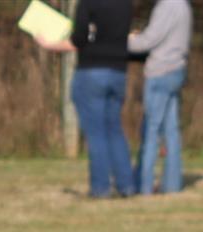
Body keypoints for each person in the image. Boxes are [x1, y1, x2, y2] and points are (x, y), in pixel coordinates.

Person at [50, 0, 140, 200]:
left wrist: (50, 43)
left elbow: (79, 39)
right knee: (114, 129)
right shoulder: (125, 4)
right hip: (118, 71)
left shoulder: (88, 3)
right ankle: (126, 185)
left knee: (96, 132)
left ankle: (101, 187)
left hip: (91, 70)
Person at [129, 0, 191, 195]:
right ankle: (172, 184)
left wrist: (123, 40)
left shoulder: (166, 6)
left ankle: (144, 185)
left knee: (151, 129)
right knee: (171, 130)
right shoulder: (183, 5)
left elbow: (149, 41)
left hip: (160, 72)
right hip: (176, 70)